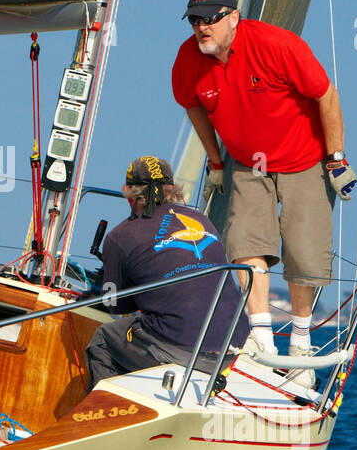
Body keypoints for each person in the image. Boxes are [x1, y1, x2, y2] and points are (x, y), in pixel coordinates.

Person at [171, 0, 357, 360]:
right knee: (246, 242)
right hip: (247, 162)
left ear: (234, 17)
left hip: (303, 159)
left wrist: (336, 159)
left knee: (305, 253)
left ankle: (301, 343)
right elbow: (192, 105)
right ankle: (260, 335)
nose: (201, 27)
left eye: (210, 19)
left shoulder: (277, 45)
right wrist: (216, 161)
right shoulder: (189, 59)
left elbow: (326, 94)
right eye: (194, 20)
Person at [85, 156, 248, 389]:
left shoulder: (120, 236)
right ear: (171, 188)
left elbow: (114, 305)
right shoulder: (201, 219)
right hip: (234, 346)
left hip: (182, 350)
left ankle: (107, 418)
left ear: (130, 192)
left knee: (104, 340)